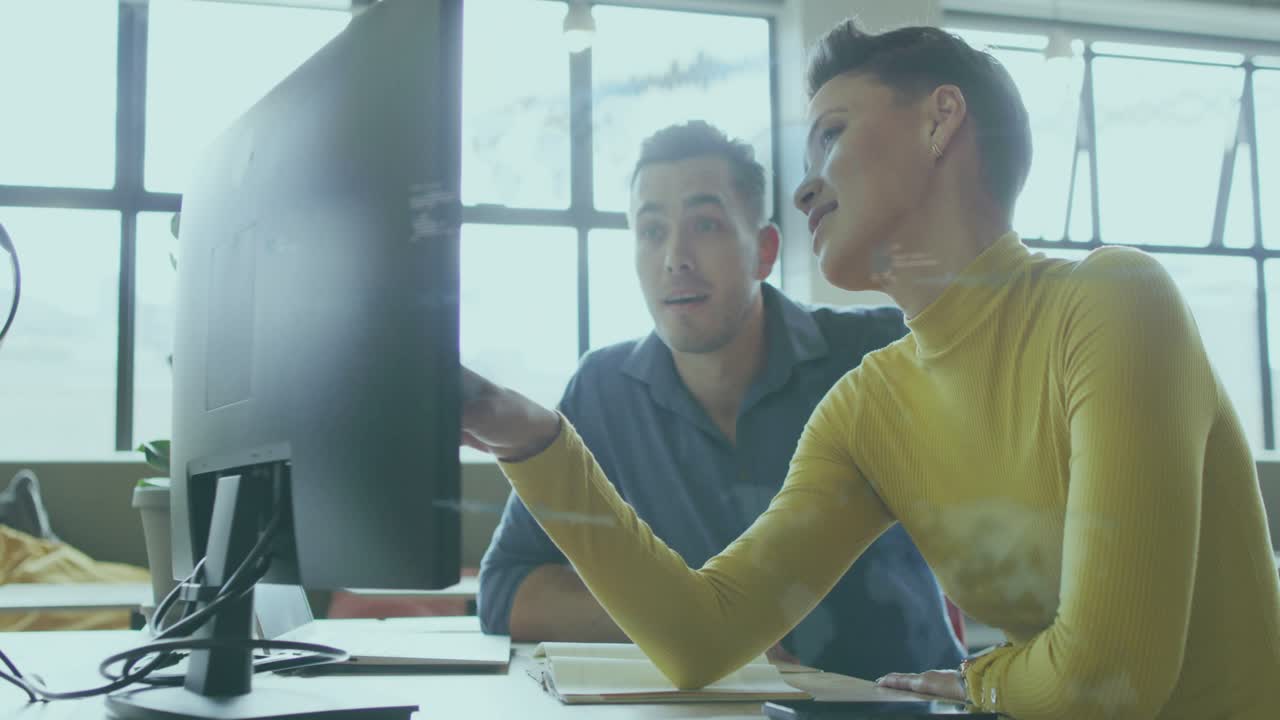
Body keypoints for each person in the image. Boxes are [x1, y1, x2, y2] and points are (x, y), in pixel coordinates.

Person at [459, 20, 1280, 720]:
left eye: (833, 134)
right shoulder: (869, 403)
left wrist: (977, 683)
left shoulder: (1112, 300)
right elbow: (700, 638)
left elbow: (1112, 681)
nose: (808, 186)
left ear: (939, 121)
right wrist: (532, 441)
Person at [476, 121, 963, 680]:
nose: (674, 258)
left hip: (902, 702)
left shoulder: (874, 349)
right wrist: (693, 623)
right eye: (651, 230)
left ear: (764, 250)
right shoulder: (602, 389)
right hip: (715, 708)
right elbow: (506, 592)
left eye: (705, 225)